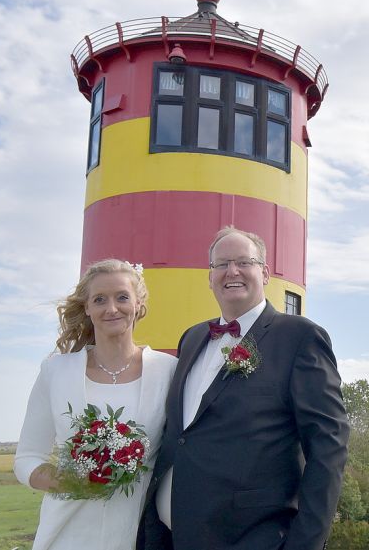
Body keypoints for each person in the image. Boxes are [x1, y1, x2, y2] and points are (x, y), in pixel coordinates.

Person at [139, 227, 349, 550]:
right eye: (221, 264)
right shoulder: (192, 338)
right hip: (170, 538)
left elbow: (328, 449)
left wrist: (304, 544)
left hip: (251, 539)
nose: (231, 271)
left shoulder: (300, 338)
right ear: (209, 277)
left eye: (243, 262)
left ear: (264, 273)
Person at [14, 259, 177, 550]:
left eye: (122, 297)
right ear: (87, 307)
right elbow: (26, 458)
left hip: (138, 536)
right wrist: (68, 481)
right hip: (66, 535)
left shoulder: (169, 370)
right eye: (99, 299)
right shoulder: (56, 371)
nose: (112, 308)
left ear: (138, 303)